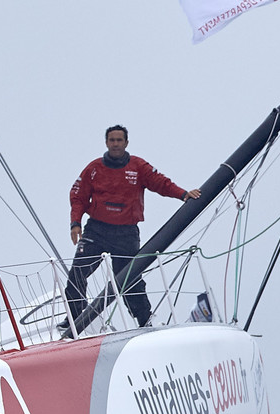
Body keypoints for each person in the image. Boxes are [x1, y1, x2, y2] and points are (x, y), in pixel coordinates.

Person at [62, 125, 200, 330]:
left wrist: (183, 194)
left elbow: (161, 183)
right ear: (106, 143)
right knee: (77, 273)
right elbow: (78, 197)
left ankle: (145, 320)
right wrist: (75, 223)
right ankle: (74, 318)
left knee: (130, 278)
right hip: (96, 230)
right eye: (112, 140)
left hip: (126, 233)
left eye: (119, 140)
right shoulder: (93, 169)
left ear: (126, 143)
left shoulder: (138, 166)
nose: (115, 144)